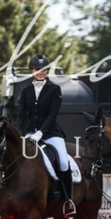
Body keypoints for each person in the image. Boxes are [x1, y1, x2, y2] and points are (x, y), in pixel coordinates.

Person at [15, 54, 73, 205]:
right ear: (31, 70)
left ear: (47, 71)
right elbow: (21, 116)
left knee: (64, 163)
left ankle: (67, 201)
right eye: (36, 69)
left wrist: (41, 133)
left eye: (44, 69)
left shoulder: (54, 89)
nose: (40, 72)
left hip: (51, 133)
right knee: (12, 158)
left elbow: (52, 114)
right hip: (29, 134)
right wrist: (16, 131)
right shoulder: (26, 91)